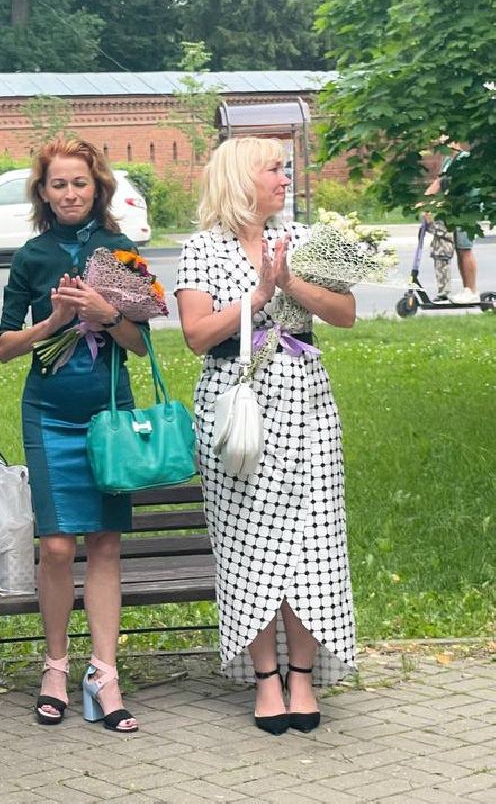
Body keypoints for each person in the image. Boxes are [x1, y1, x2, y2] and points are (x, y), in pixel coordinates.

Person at [175, 137, 356, 735]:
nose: (284, 177)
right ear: (239, 177)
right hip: (238, 406)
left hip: (306, 400)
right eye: (273, 169)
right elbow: (197, 335)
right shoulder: (201, 247)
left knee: (313, 541)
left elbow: (345, 312)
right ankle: (264, 681)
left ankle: (302, 676)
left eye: (284, 168)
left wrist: (290, 284)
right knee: (249, 543)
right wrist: (257, 297)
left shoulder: (305, 239)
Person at [0, 139, 149, 734]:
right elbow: (6, 348)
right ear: (43, 192)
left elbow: (141, 345)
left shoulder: (120, 250)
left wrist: (107, 315)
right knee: (58, 546)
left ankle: (104, 673)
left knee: (106, 543)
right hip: (49, 412)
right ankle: (55, 667)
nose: (70, 194)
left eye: (79, 183)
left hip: (109, 411)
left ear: (97, 188)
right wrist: (57, 320)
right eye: (58, 184)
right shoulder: (33, 257)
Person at [424, 140, 480, 303]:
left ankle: (471, 290)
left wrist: (439, 203)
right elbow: (438, 183)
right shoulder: (449, 161)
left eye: (442, 138)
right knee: (459, 250)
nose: (438, 142)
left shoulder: (464, 160)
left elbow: (459, 188)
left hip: (466, 211)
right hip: (454, 212)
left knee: (465, 249)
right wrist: (425, 202)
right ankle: (466, 290)